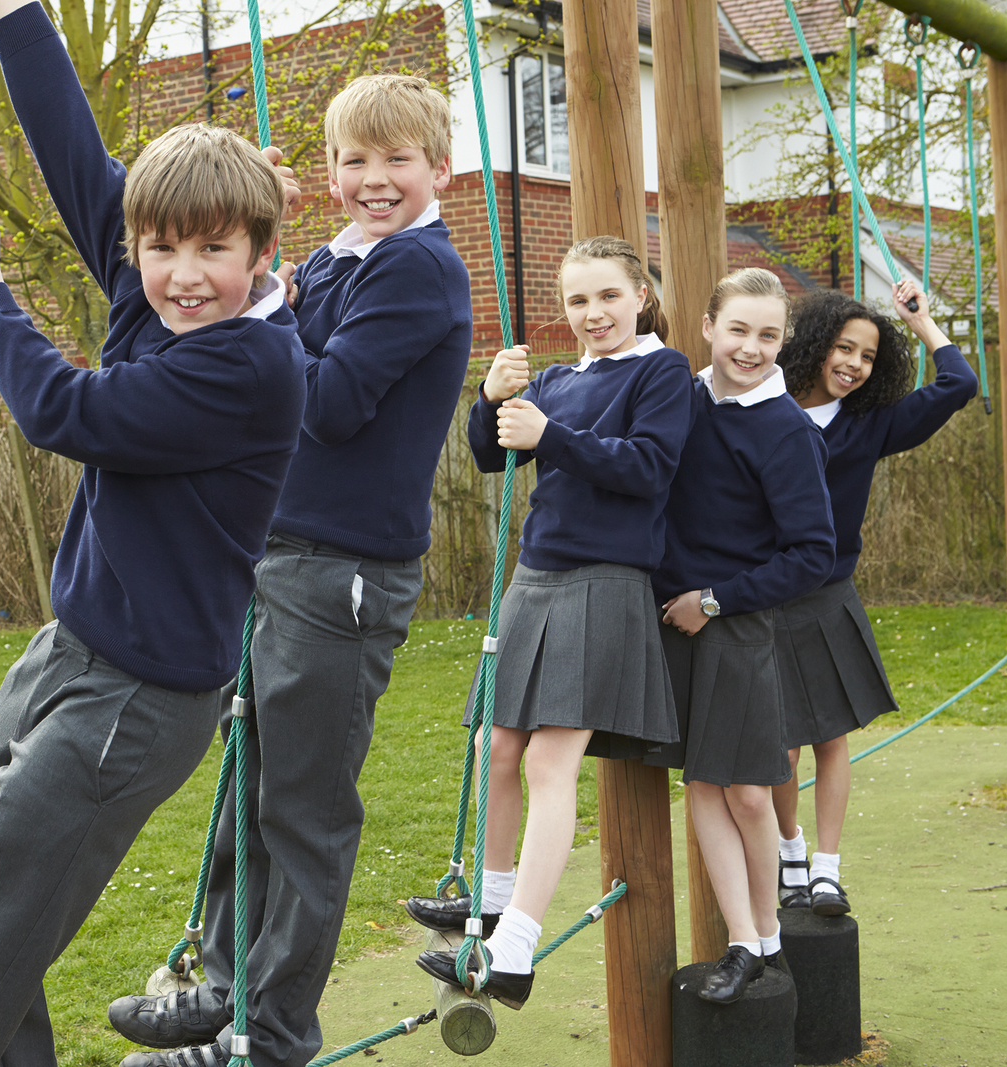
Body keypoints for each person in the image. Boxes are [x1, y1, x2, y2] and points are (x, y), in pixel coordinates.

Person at [0, 1, 307, 1063]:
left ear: (261, 248)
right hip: (72, 650)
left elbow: (69, 415)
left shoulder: (248, 363)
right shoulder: (159, 296)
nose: (183, 273)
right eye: (160, 247)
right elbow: (70, 146)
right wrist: (15, 15)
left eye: (214, 249)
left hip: (138, 699)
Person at [106, 72, 473, 1067]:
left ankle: (268, 1035)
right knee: (247, 788)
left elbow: (332, 400)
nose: (374, 178)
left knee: (302, 810)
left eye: (397, 158)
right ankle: (226, 987)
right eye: (354, 158)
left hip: (342, 568)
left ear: (440, 167)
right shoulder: (335, 259)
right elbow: (274, 335)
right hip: (282, 552)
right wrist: (272, 266)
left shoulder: (416, 270)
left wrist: (271, 315)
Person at [406, 236, 691, 1008]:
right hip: (535, 578)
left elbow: (648, 468)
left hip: (605, 582)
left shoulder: (662, 371)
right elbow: (496, 459)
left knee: (549, 762)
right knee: (492, 743)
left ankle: (518, 947)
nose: (592, 312)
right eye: (577, 300)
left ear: (641, 294)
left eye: (607, 296)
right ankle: (492, 903)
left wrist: (550, 435)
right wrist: (491, 401)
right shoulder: (560, 378)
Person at [648, 266, 836, 1005]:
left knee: (751, 794)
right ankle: (743, 939)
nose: (751, 347)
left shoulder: (785, 429)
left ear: (783, 341)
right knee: (701, 784)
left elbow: (812, 552)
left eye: (767, 335)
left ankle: (767, 937)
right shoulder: (677, 397)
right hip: (671, 623)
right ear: (707, 327)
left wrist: (717, 600)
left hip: (736, 624)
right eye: (738, 330)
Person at [771, 280, 977, 916]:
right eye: (843, 348)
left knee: (832, 738)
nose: (853, 364)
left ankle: (828, 871)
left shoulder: (869, 426)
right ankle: (790, 854)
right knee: (778, 744)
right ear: (814, 346)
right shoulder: (762, 409)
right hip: (765, 595)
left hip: (828, 597)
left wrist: (922, 324)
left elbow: (958, 386)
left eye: (866, 355)